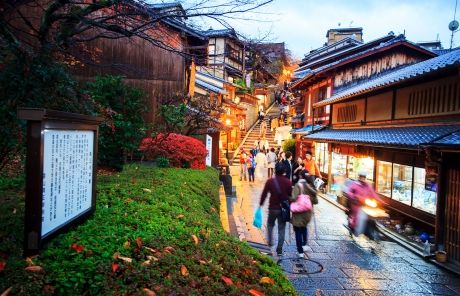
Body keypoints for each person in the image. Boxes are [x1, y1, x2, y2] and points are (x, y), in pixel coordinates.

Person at [259, 163, 292, 256]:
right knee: (282, 228)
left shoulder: (270, 181)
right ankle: (279, 249)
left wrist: (260, 204)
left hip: (273, 208)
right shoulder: (288, 182)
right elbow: (291, 195)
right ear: (284, 172)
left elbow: (264, 194)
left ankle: (270, 243)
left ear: (275, 171)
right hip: (283, 210)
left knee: (270, 225)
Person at [290, 170, 317, 258]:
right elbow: (315, 201)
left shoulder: (298, 185)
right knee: (304, 228)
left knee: (298, 230)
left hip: (299, 212)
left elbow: (293, 198)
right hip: (308, 213)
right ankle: (304, 245)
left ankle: (300, 252)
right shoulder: (310, 186)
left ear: (300, 176)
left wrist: (288, 197)